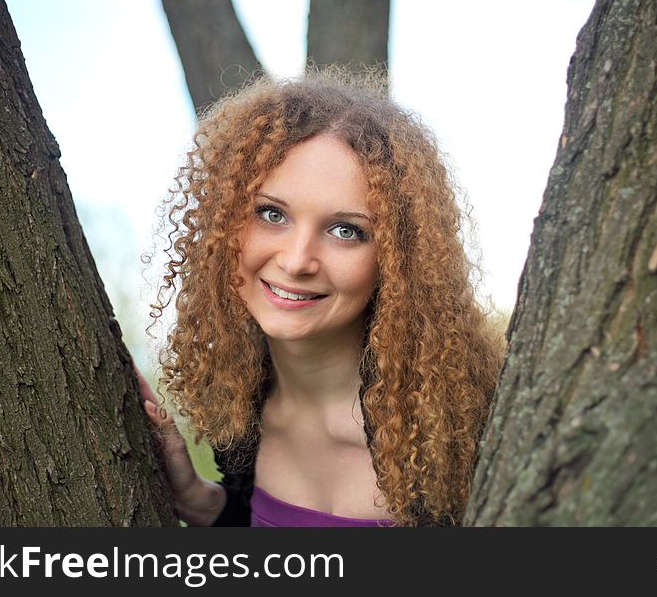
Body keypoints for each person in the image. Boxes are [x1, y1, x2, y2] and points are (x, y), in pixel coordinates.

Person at [139, 71, 504, 527]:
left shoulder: (463, 435)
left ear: (399, 257)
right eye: (271, 214)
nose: (296, 261)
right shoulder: (241, 416)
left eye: (346, 231)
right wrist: (201, 503)